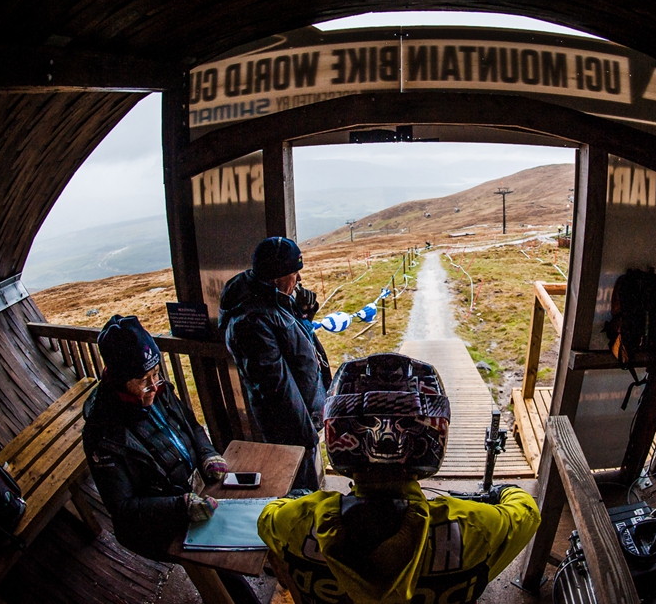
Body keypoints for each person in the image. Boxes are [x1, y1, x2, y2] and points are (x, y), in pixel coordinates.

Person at [257, 353, 541, 604]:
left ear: (336, 434)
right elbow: (527, 512)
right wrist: (505, 492)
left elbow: (268, 516)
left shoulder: (296, 522)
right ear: (434, 434)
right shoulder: (474, 529)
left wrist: (294, 500)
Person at [82, 316, 259, 603]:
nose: (154, 386)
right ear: (117, 380)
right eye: (143, 381)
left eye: (156, 374)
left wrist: (207, 454)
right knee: (225, 566)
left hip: (190, 492)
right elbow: (124, 510)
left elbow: (191, 425)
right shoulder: (103, 435)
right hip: (157, 522)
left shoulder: (157, 390)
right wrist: (181, 507)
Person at [219, 236, 331, 490]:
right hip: (290, 428)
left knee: (307, 480)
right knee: (297, 486)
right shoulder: (251, 322)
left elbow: (295, 347)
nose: (299, 279)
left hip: (302, 418)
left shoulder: (274, 299)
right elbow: (277, 389)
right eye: (295, 272)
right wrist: (306, 435)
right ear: (277, 277)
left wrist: (304, 316)